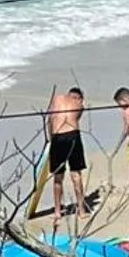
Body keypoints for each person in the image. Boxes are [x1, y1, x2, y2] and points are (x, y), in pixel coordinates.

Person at [46, 84, 90, 219]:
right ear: (79, 97)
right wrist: (82, 104)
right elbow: (76, 118)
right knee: (76, 174)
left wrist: (50, 139)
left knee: (58, 177)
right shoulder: (79, 104)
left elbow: (50, 119)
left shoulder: (57, 98)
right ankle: (81, 211)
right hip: (72, 135)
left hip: (57, 136)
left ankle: (57, 211)